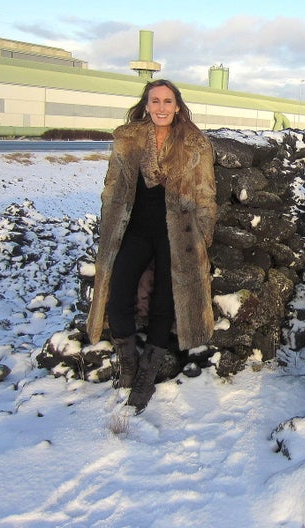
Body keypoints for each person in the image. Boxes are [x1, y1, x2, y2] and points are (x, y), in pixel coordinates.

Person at [86, 79, 217, 414]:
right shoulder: (129, 139)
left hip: (177, 234)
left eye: (167, 101)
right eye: (155, 101)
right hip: (134, 230)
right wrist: (109, 221)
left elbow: (205, 196)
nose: (161, 108)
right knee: (118, 296)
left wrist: (201, 238)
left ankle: (147, 373)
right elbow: (112, 187)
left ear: (177, 106)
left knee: (164, 303)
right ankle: (128, 362)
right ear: (146, 105)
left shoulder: (194, 143)